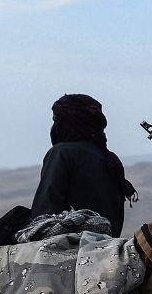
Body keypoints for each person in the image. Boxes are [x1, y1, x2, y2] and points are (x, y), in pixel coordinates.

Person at [31, 93, 137, 237]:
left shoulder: (61, 153)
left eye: (56, 120)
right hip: (106, 250)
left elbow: (44, 216)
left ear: (69, 123)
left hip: (71, 249)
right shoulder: (111, 160)